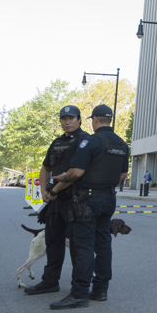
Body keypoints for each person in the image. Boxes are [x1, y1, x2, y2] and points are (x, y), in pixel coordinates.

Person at [43, 104, 131, 309]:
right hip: (109, 198)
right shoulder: (122, 144)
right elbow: (123, 175)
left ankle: (79, 294)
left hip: (87, 200)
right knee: (103, 244)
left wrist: (61, 179)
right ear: (110, 119)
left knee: (83, 246)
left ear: (93, 120)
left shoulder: (91, 141)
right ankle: (100, 290)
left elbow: (76, 173)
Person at [24, 105, 91, 299]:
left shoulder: (85, 140)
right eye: (64, 119)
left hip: (75, 200)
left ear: (79, 120)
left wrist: (53, 190)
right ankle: (50, 281)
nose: (67, 122)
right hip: (55, 201)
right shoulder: (56, 142)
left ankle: (78, 286)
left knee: (77, 246)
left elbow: (76, 173)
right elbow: (45, 168)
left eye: (71, 118)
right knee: (53, 242)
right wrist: (44, 190)